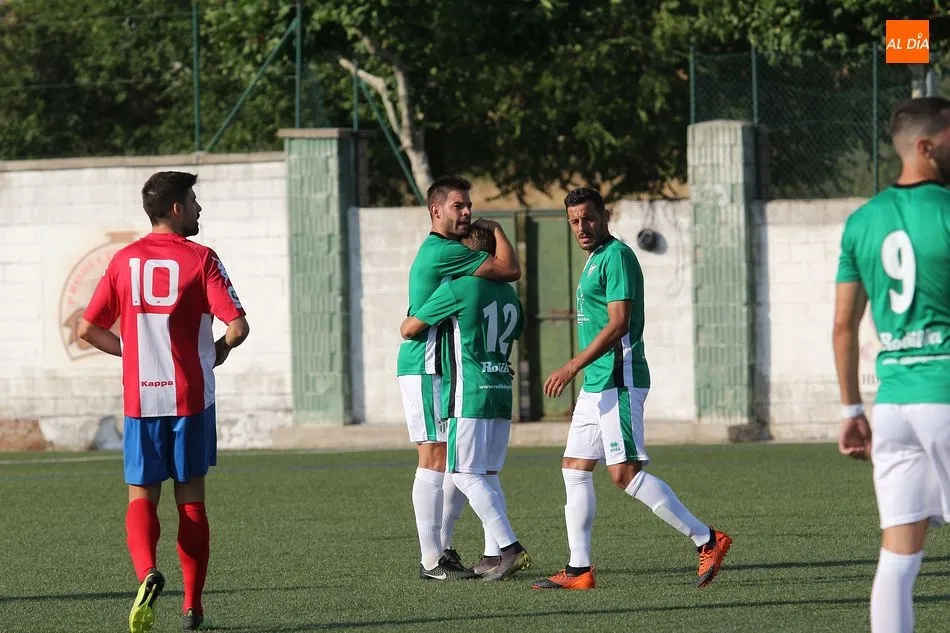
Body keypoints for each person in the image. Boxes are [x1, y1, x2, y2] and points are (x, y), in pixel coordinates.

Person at [531, 187, 732, 590]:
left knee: (624, 474)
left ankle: (707, 539)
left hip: (619, 377)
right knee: (574, 468)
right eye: (574, 221)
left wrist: (573, 364)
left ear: (604, 215)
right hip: (597, 383)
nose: (581, 227)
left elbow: (619, 323)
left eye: (588, 218)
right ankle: (579, 569)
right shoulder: (593, 259)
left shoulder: (618, 256)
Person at [78, 171, 249, 632]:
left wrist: (128, 351)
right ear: (176, 208)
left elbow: (87, 329)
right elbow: (237, 326)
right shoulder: (202, 258)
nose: (199, 208)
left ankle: (147, 573)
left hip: (141, 399)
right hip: (191, 398)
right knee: (191, 503)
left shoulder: (124, 261)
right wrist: (221, 350)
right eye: (193, 200)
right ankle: (192, 607)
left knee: (141, 497)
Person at [834, 96, 950, 633]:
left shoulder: (862, 221)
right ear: (925, 146)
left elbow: (842, 326)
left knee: (899, 558)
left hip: (896, 405)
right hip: (946, 394)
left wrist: (852, 408)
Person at [396, 175, 521, 580]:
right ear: (436, 211)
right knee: (434, 458)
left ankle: (445, 550)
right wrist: (499, 229)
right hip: (426, 364)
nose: (467, 212)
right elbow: (507, 269)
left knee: (452, 463)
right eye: (458, 206)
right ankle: (432, 559)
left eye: (469, 205)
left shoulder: (450, 251)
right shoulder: (443, 252)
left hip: (446, 370)